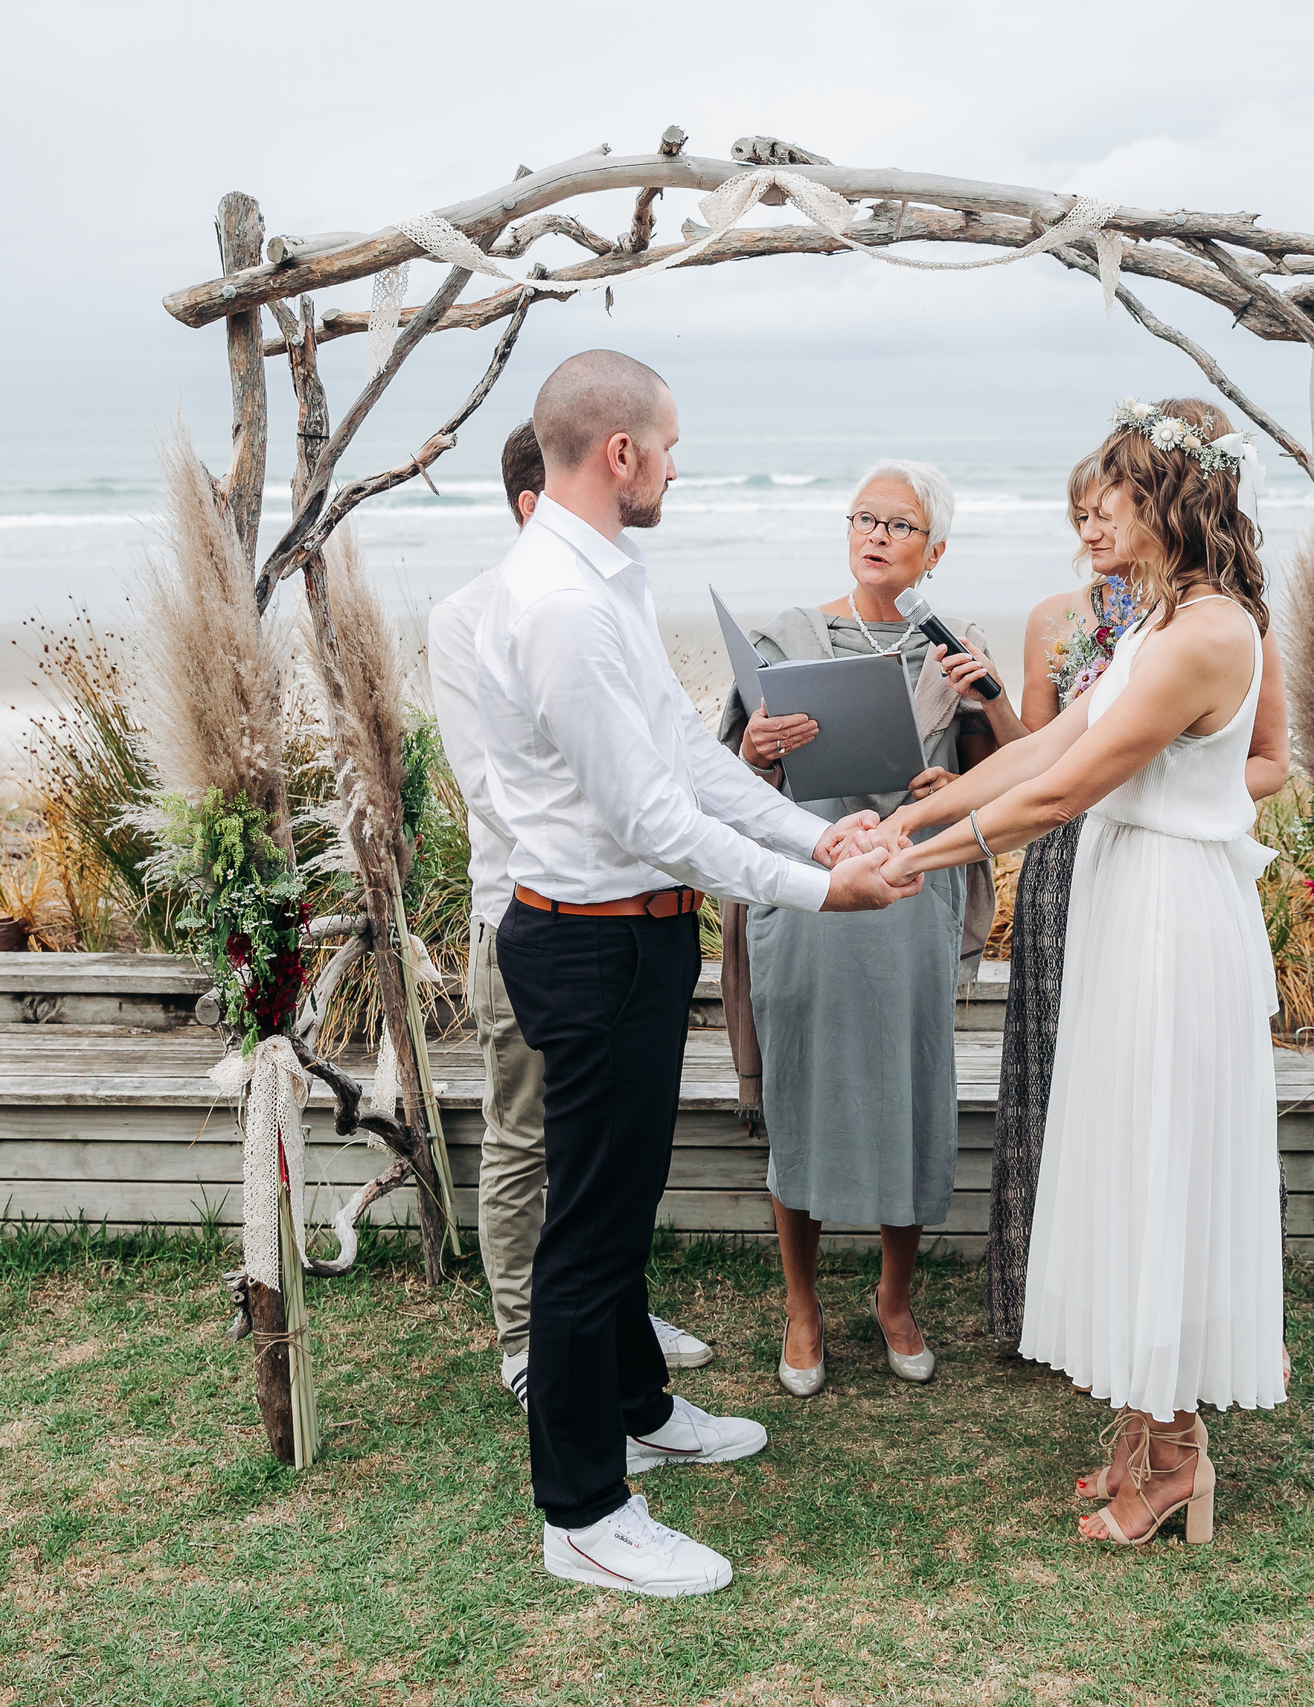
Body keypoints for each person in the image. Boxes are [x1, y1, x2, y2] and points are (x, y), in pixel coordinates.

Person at [470, 350, 921, 1597]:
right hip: (591, 935)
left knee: (618, 1212)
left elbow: (684, 752)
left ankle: (639, 1408)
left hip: (636, 933)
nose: (674, 463)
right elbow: (651, 815)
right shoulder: (559, 601)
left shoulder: (604, 575)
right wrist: (824, 887)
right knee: (588, 1233)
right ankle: (581, 1511)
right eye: (667, 444)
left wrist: (812, 829)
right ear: (620, 452)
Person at [875, 398, 1291, 1547]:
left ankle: (1177, 1464)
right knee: (1122, 1156)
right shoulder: (1166, 618)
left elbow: (1064, 794)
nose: (1094, 510)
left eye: (1115, 490)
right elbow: (1044, 746)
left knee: (1156, 1166)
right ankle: (1141, 1432)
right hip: (1131, 904)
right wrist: (902, 827)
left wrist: (916, 858)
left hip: (1169, 915)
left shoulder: (1211, 631)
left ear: (1171, 499)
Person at [424, 420, 714, 1415]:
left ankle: (609, 1326)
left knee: (607, 1154)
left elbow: (660, 749)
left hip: (624, 911)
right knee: (524, 1137)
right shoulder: (471, 620)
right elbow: (496, 790)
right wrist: (651, 830)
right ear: (531, 505)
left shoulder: (607, 603)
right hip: (527, 915)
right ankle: (525, 1340)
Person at [714, 460, 1020, 1396]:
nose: (878, 534)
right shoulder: (785, 639)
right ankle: (802, 1307)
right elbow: (726, 786)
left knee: (909, 1090)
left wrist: (976, 727)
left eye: (901, 523)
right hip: (811, 897)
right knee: (801, 1092)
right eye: (865, 517)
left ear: (935, 549)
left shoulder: (948, 653)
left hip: (906, 896)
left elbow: (1012, 774)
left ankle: (895, 1299)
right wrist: (754, 750)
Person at [982, 454, 1142, 1345]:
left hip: (1150, 849)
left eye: (1102, 510)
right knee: (1049, 1057)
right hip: (1060, 850)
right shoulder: (1055, 618)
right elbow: (1037, 747)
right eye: (1076, 514)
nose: (1087, 530)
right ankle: (1037, 1299)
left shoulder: (1191, 620)